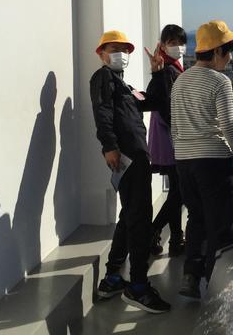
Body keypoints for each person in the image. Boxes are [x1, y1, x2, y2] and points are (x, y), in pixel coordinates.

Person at [90, 30, 170, 314]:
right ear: (101, 54)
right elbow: (102, 112)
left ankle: (112, 277)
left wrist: (157, 73)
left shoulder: (124, 85)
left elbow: (154, 102)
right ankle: (137, 286)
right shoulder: (103, 78)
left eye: (124, 49)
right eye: (114, 48)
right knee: (139, 219)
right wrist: (109, 146)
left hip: (136, 157)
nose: (120, 54)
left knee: (129, 216)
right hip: (127, 156)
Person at [170, 20, 233, 300]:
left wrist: (183, 154)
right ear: (217, 51)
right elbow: (229, 126)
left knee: (196, 218)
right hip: (213, 161)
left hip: (184, 161)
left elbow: (175, 126)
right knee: (222, 224)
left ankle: (191, 276)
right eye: (228, 51)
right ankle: (219, 290)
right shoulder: (219, 82)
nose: (230, 58)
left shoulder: (180, 80)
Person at [145, 24, 187, 257]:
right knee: (179, 192)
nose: (178, 47)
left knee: (176, 191)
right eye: (172, 43)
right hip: (170, 136)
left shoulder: (171, 67)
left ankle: (176, 240)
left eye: (180, 42)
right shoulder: (167, 69)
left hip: (168, 134)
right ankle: (154, 230)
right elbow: (165, 103)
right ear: (162, 45)